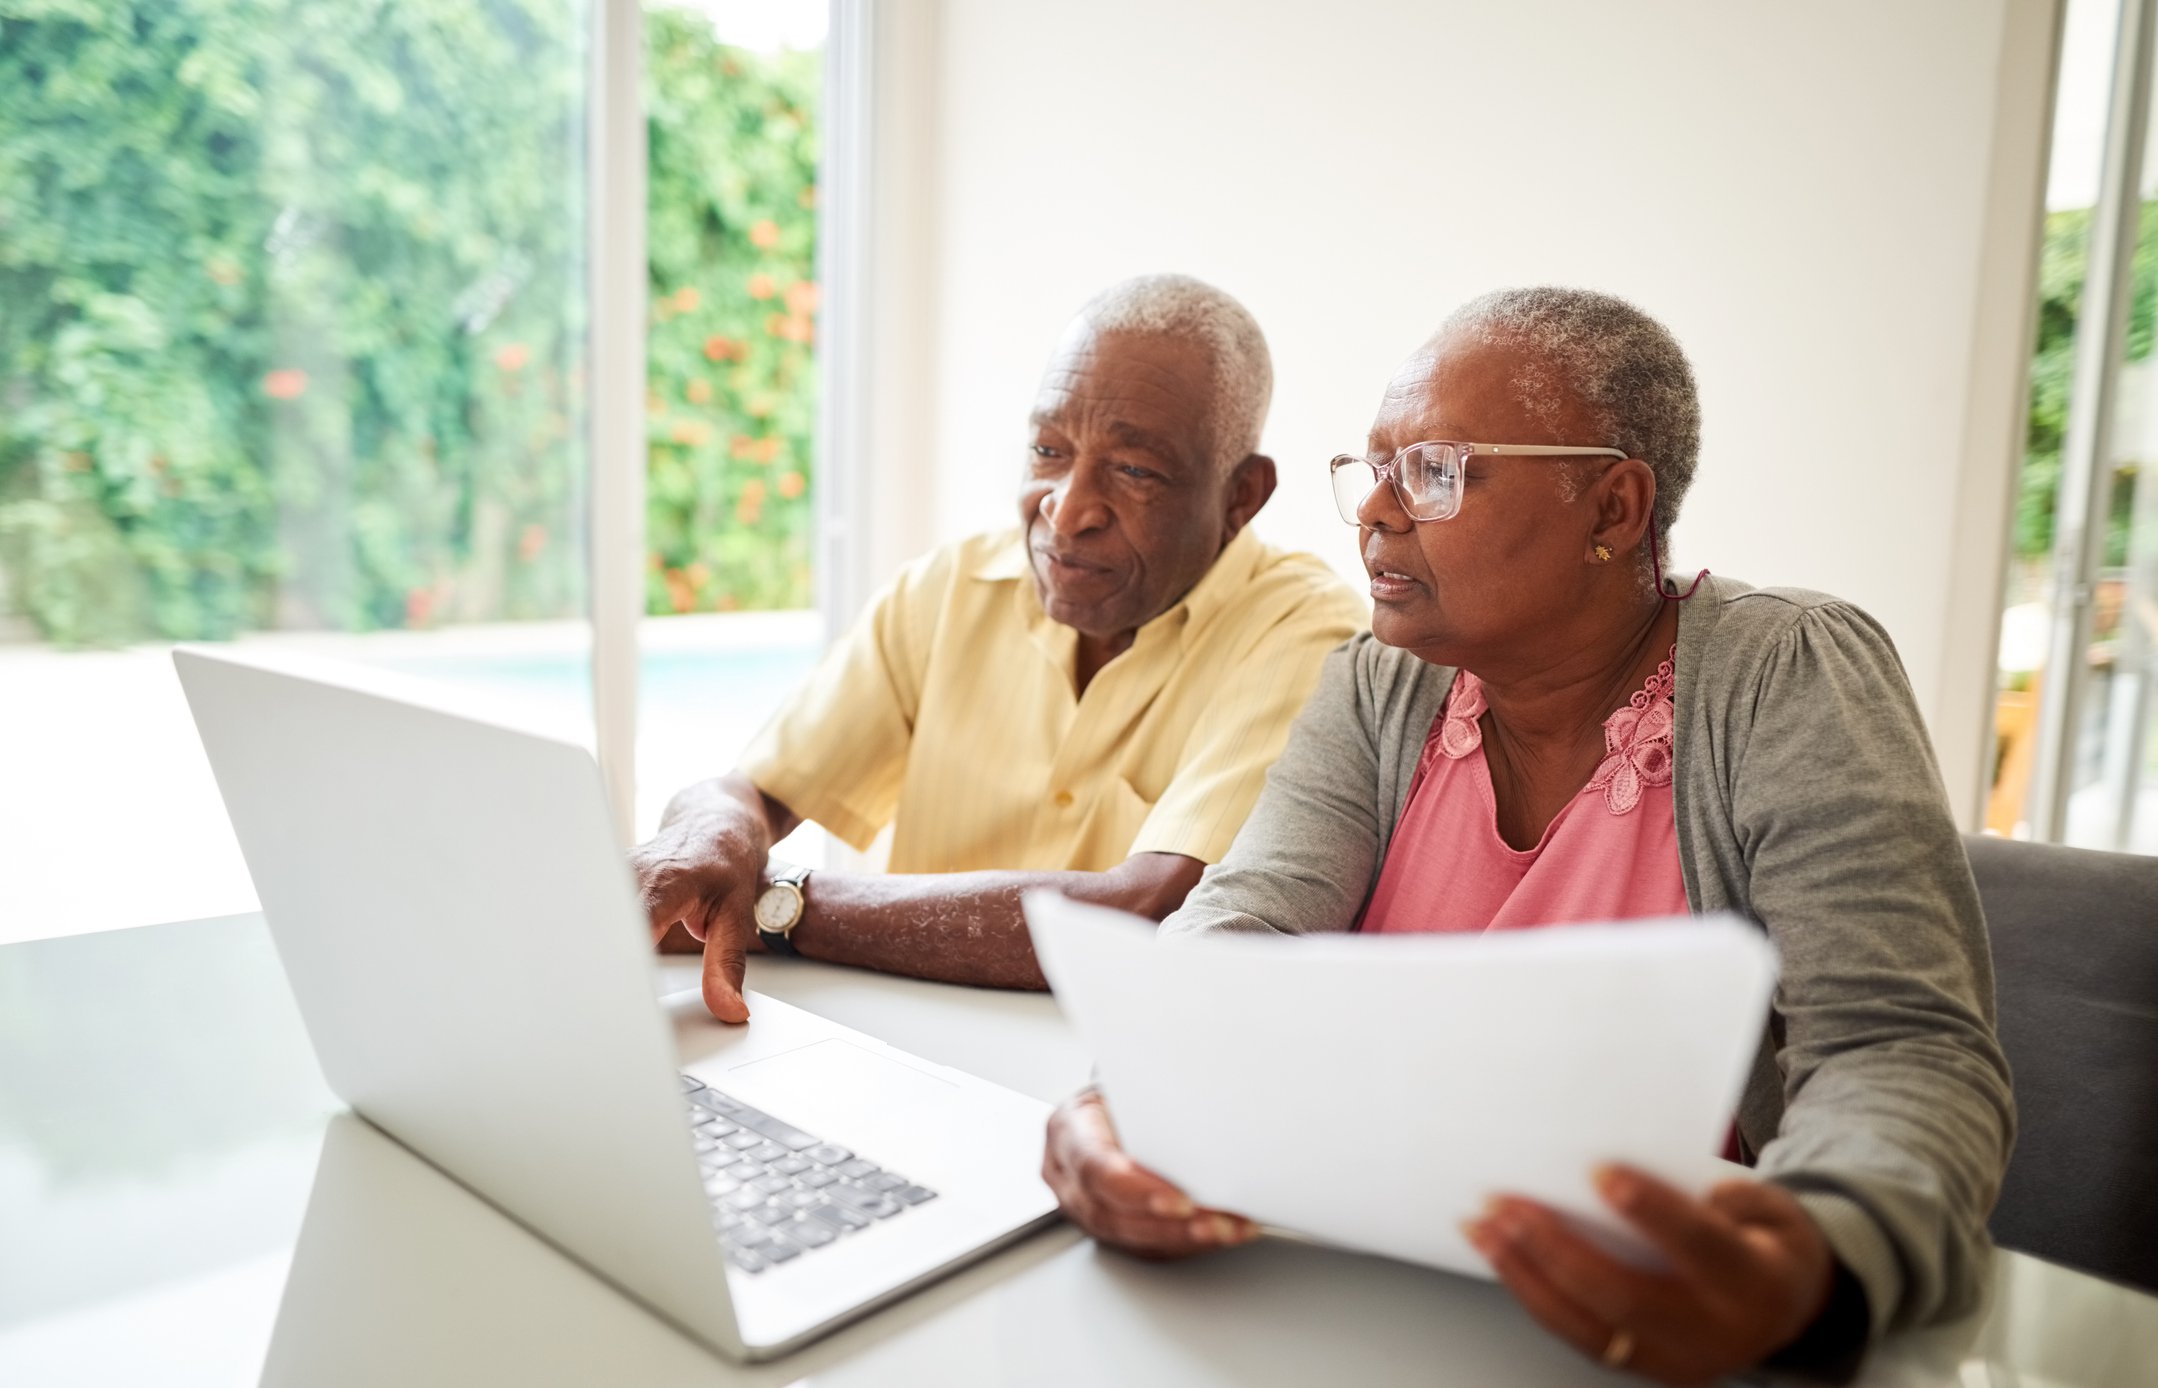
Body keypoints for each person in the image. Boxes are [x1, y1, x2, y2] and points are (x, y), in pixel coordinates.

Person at [1042, 288, 2014, 1385]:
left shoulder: (1788, 674)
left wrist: (1816, 1256)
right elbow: (1246, 915)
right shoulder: (1379, 683)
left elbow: (1898, 1046)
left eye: (1437, 470)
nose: (1373, 515)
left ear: (1612, 509)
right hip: (1367, 1297)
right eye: (1371, 470)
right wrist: (1118, 1096)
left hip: (1652, 1328)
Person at [636, 274, 1366, 1024]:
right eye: (1049, 450)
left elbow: (1153, 910)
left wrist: (783, 906)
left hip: (1102, 1084)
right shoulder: (952, 587)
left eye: (1135, 471)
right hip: (898, 1044)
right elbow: (753, 792)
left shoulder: (1311, 637)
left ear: (1242, 496)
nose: (1067, 508)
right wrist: (712, 839)